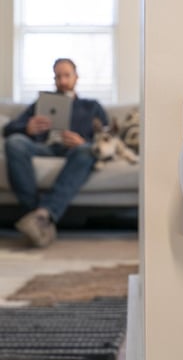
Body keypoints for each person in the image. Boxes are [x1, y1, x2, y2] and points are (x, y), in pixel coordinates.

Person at [3, 58, 108, 247]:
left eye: (67, 75)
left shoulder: (91, 106)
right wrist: (27, 128)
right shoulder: (41, 103)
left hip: (75, 151)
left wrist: (84, 141)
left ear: (76, 77)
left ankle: (41, 215)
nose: (63, 81)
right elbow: (9, 128)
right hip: (44, 147)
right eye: (58, 76)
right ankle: (39, 216)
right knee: (14, 142)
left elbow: (107, 137)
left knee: (87, 150)